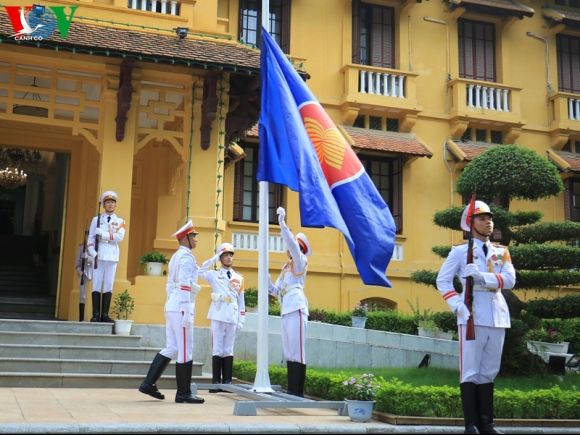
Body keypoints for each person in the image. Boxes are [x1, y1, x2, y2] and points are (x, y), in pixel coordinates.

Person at [436, 200, 515, 435]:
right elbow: (443, 280)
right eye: (482, 218)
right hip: (471, 313)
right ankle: (470, 424)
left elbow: (510, 280)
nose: (488, 222)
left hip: (498, 315)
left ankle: (486, 423)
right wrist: (457, 305)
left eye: (490, 218)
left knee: (489, 370)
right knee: (470, 370)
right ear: (470, 224)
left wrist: (482, 277)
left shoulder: (501, 252)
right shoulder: (460, 252)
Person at [138, 220, 205, 404]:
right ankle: (183, 393)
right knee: (185, 349)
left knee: (173, 347)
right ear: (185, 238)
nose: (196, 239)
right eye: (193, 236)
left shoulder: (177, 256)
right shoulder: (186, 257)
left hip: (172, 305)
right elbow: (184, 282)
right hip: (181, 307)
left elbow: (171, 285)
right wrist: (185, 308)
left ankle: (148, 383)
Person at [268, 206, 310, 397]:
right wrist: (267, 282)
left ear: (300, 248)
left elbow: (292, 244)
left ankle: (298, 391)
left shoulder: (301, 260)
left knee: (297, 349)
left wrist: (282, 223)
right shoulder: (286, 268)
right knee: (289, 349)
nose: (290, 248)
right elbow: (276, 291)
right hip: (286, 308)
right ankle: (292, 388)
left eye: (294, 245)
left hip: (297, 306)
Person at [199, 242, 246, 393]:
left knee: (228, 349)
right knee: (217, 347)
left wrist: (241, 319)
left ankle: (227, 382)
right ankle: (216, 382)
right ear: (220, 257)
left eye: (231, 255)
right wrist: (213, 259)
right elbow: (200, 271)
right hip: (218, 313)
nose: (229, 258)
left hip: (232, 314)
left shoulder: (238, 277)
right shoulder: (214, 275)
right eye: (225, 255)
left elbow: (241, 301)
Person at [87, 191, 126, 323]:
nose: (110, 205)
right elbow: (91, 237)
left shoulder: (120, 221)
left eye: (112, 202)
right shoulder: (96, 220)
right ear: (103, 205)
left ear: (115, 205)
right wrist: (92, 251)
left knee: (108, 284)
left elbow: (119, 237)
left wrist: (103, 234)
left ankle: (105, 315)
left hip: (112, 255)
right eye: (108, 202)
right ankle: (96, 314)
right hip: (99, 254)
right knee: (96, 284)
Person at [74, 238, 92, 322]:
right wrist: (80, 272)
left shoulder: (95, 248)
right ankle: (81, 319)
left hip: (91, 275)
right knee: (82, 297)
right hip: (83, 274)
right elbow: (77, 264)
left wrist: (88, 258)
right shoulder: (81, 248)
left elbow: (97, 260)